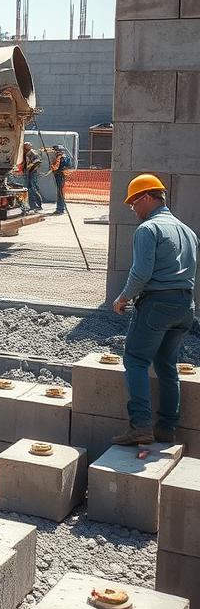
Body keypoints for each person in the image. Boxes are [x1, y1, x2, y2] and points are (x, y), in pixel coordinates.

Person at [111, 174, 198, 446]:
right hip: (185, 306)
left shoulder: (149, 230)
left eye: (134, 203)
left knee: (135, 360)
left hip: (157, 304)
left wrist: (123, 298)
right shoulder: (187, 230)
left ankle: (140, 426)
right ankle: (167, 428)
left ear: (147, 197)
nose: (134, 209)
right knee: (167, 366)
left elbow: (141, 272)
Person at [46, 144, 73, 215]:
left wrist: (52, 166)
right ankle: (63, 207)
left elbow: (56, 167)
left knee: (60, 193)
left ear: (59, 151)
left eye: (55, 150)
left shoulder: (60, 158)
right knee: (60, 192)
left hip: (60, 176)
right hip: (61, 175)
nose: (54, 152)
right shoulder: (65, 157)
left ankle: (60, 209)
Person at [22, 142, 43, 212]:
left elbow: (37, 163)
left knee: (33, 189)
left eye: (25, 148)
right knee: (29, 190)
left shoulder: (33, 154)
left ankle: (38, 205)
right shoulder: (25, 153)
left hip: (32, 173)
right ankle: (32, 206)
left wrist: (30, 171)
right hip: (28, 173)